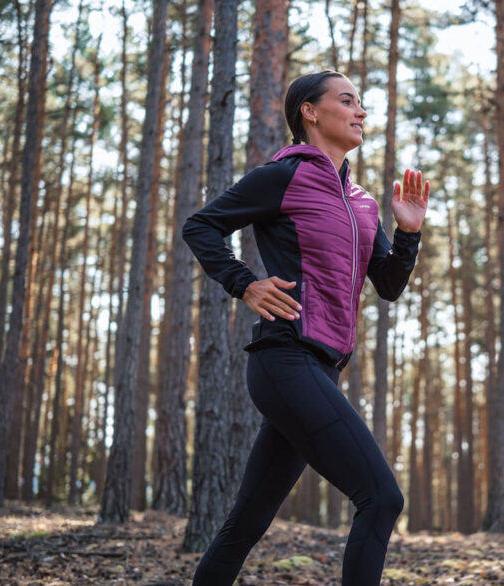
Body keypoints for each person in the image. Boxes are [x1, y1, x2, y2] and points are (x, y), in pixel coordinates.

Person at [182, 70, 430, 585]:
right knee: (381, 498)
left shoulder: (361, 202)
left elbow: (386, 283)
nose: (361, 112)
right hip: (284, 359)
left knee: (245, 524)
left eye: (362, 103)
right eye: (347, 101)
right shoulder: (282, 175)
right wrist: (245, 283)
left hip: (322, 368)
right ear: (310, 112)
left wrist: (407, 232)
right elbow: (200, 225)